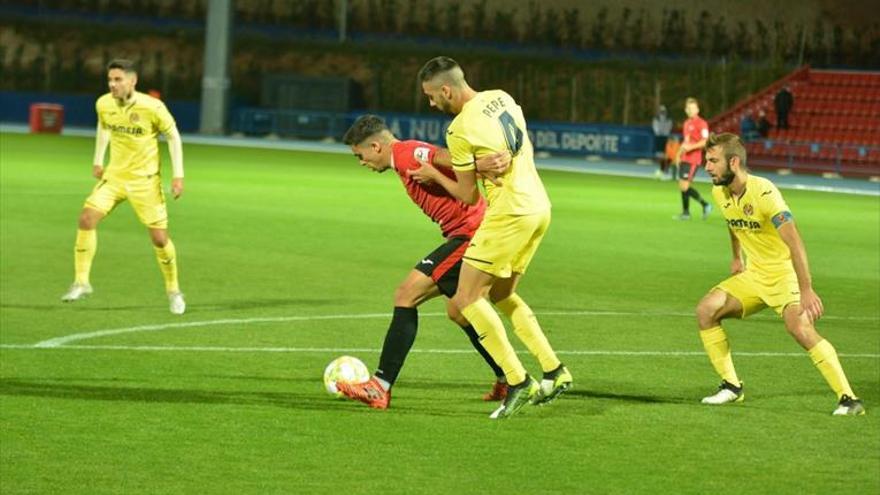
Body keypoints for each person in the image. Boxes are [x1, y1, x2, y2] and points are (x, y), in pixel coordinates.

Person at [410, 56, 572, 420]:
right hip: (539, 206)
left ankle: (518, 380)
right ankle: (554, 370)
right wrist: (474, 164)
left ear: (446, 89)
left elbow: (468, 196)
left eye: (432, 96)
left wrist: (436, 175)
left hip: (509, 212)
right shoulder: (502, 97)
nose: (432, 103)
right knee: (501, 293)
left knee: (465, 298)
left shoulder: (459, 129)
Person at [335, 114, 511, 409]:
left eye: (360, 155)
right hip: (470, 233)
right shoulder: (402, 158)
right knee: (460, 312)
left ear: (376, 146)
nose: (361, 162)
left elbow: (440, 155)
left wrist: (478, 165)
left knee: (407, 294)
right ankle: (508, 379)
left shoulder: (406, 153)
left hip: (470, 235)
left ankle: (380, 386)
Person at [696, 132, 864, 416]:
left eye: (713, 161)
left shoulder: (764, 192)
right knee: (706, 311)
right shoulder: (719, 191)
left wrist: (807, 288)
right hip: (753, 276)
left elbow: (794, 241)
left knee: (799, 329)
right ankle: (732, 386)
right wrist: (736, 257)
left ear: (734, 162)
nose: (707, 167)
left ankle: (849, 399)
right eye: (706, 160)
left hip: (784, 276)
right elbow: (732, 221)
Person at [61, 59, 186, 314]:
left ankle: (174, 291)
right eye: (110, 79)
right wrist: (98, 159)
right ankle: (81, 282)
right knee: (86, 218)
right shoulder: (103, 103)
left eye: (118, 79)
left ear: (133, 80)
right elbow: (104, 126)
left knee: (160, 239)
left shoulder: (153, 107)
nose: (112, 84)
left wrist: (178, 176)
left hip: (145, 182)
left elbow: (173, 136)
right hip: (115, 177)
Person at [674, 97, 712, 221]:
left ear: (697, 109)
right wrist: (678, 154)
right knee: (682, 185)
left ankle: (705, 205)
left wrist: (691, 148)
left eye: (693, 108)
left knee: (685, 186)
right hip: (685, 158)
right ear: (686, 110)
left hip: (693, 159)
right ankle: (686, 213)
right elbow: (686, 141)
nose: (691, 110)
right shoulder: (686, 124)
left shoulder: (702, 123)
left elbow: (705, 141)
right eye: (689, 108)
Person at [652, 105, 673, 178]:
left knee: (665, 154)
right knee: (660, 154)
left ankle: (664, 169)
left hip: (663, 137)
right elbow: (655, 127)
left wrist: (662, 133)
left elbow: (668, 127)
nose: (662, 113)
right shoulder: (657, 118)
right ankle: (663, 169)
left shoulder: (668, 119)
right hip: (661, 137)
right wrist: (660, 133)